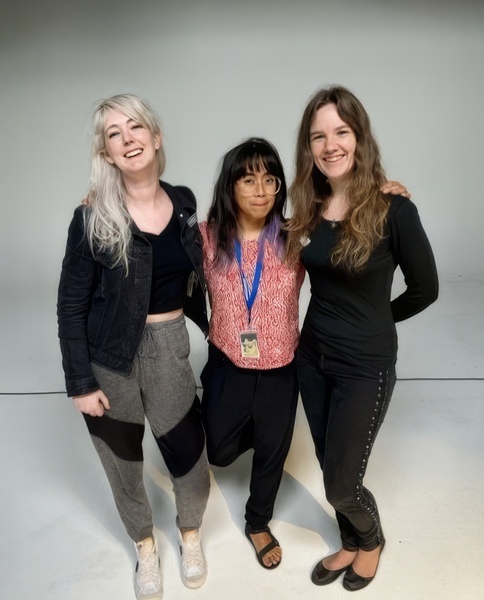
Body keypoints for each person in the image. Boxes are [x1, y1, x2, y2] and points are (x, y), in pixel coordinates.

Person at [285, 86, 439, 591]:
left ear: (360, 137)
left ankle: (370, 541)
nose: (330, 146)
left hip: (364, 366)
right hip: (312, 359)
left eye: (341, 133)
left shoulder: (394, 210)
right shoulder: (309, 207)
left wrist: (376, 320)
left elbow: (426, 289)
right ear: (309, 148)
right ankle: (348, 543)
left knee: (341, 482)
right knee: (333, 465)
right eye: (318, 137)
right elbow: (246, 224)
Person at [57, 94, 210, 597]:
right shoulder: (91, 219)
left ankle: (190, 533)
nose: (128, 139)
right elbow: (70, 306)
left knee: (188, 453)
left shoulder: (185, 202)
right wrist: (81, 383)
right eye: (114, 134)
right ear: (106, 153)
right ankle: (145, 547)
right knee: (122, 463)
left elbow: (241, 237)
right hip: (110, 360)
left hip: (170, 348)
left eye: (136, 127)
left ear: (155, 136)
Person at [199, 138, 305, 569]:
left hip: (282, 368)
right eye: (248, 179)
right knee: (219, 451)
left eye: (270, 179)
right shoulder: (205, 238)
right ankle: (251, 431)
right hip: (229, 363)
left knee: (272, 451)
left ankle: (258, 522)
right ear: (230, 186)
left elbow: (350, 219)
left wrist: (386, 193)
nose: (261, 190)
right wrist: (105, 202)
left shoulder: (298, 236)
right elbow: (152, 235)